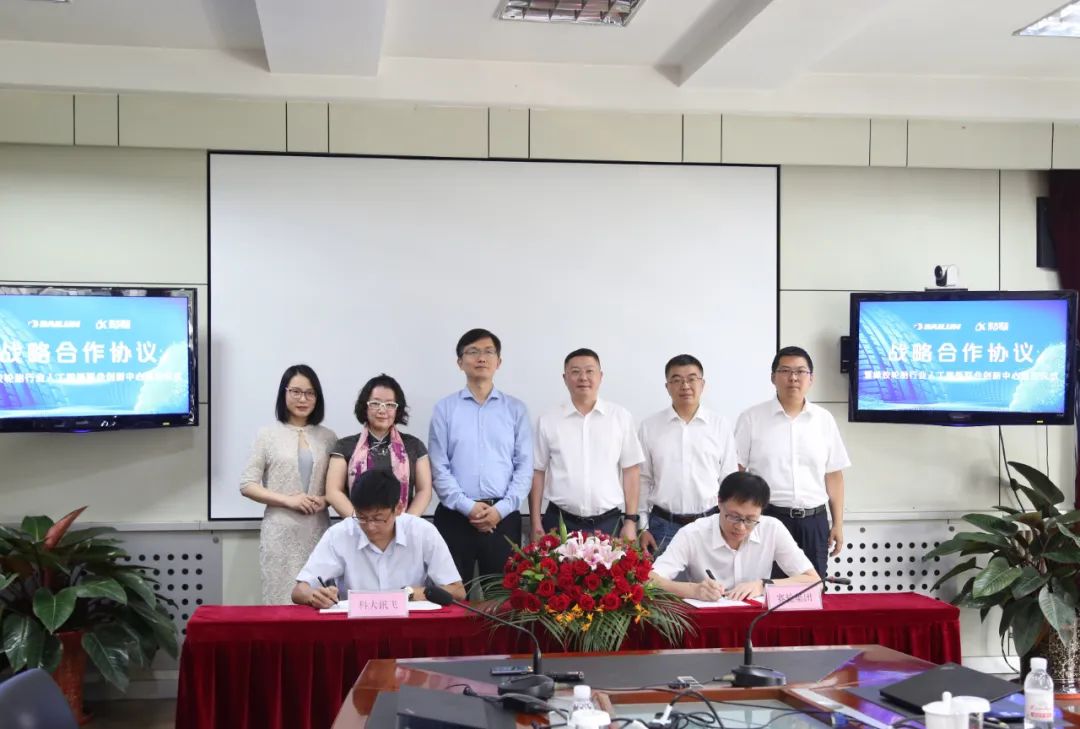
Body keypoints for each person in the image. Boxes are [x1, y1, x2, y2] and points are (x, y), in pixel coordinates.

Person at [734, 346, 851, 579]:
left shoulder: (824, 419)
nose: (793, 377)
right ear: (773, 377)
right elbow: (736, 471)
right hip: (767, 519)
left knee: (813, 588)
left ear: (811, 378)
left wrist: (837, 523)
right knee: (766, 589)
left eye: (800, 371)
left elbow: (833, 475)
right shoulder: (751, 418)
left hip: (814, 522)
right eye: (785, 371)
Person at [429, 328, 533, 583]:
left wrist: (501, 509)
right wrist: (468, 506)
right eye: (473, 352)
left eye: (488, 352)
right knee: (452, 594)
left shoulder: (516, 409)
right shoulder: (444, 409)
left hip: (503, 518)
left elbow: (524, 466)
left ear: (499, 361)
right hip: (455, 516)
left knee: (500, 598)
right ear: (460, 362)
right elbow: (438, 466)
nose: (481, 358)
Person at [292, 470, 465, 608]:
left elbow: (457, 591)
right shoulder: (339, 534)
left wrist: (414, 593)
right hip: (354, 628)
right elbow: (299, 590)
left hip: (410, 626)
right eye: (362, 517)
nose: (370, 526)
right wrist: (314, 596)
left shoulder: (423, 532)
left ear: (398, 508)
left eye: (378, 518)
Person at [240, 364, 338, 605]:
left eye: (310, 393)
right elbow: (247, 484)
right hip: (279, 533)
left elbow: (338, 488)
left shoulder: (328, 437)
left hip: (318, 531)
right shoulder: (267, 435)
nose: (303, 399)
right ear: (283, 393)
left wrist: (324, 500)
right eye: (296, 391)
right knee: (280, 603)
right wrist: (288, 500)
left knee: (320, 603)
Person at [649, 472, 818, 601]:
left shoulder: (772, 529)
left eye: (750, 520)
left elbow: (814, 582)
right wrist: (694, 590)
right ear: (719, 502)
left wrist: (764, 585)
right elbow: (649, 581)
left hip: (756, 621)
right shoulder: (693, 534)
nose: (741, 527)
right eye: (734, 517)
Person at [530, 348, 643, 541]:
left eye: (590, 371)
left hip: (608, 522)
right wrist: (535, 523)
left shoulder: (620, 417)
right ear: (565, 378)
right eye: (575, 372)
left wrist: (631, 521)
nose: (583, 377)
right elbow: (537, 471)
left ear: (600, 376)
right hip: (559, 521)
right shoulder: (548, 419)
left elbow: (631, 471)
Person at [638, 354, 738, 554]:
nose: (685, 386)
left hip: (710, 524)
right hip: (663, 526)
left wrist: (730, 522)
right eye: (677, 380)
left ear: (702, 384)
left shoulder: (720, 425)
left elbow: (729, 479)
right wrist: (642, 527)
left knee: (710, 576)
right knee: (661, 576)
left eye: (692, 379)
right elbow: (642, 479)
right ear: (667, 387)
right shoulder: (650, 426)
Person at [324, 374, 432, 519]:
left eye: (390, 404)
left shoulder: (414, 446)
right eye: (375, 403)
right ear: (365, 406)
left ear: (397, 409)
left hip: (404, 527)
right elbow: (333, 492)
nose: (382, 410)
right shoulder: (344, 446)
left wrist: (405, 524)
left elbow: (424, 491)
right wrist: (362, 522)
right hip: (357, 525)